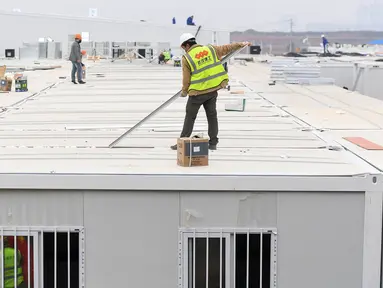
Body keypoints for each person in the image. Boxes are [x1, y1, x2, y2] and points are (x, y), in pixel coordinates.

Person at [170, 33, 250, 151]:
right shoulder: (210, 49)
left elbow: (186, 79)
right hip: (212, 90)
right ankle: (213, 143)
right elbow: (226, 48)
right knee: (212, 116)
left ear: (187, 45)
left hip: (197, 93)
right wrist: (240, 44)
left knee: (190, 117)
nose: (183, 50)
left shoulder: (187, 58)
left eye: (183, 47)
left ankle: (183, 141)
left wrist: (184, 91)